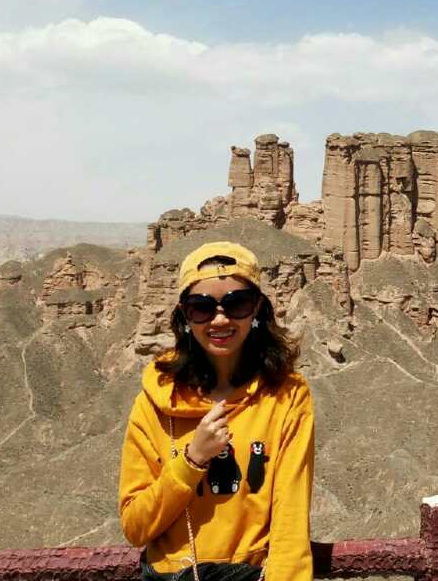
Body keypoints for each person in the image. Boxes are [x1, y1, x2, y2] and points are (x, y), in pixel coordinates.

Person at [119, 241, 314, 581]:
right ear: (184, 315)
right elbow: (135, 527)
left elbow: (290, 526)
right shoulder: (155, 402)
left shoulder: (287, 396)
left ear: (257, 309)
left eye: (237, 304)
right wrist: (192, 460)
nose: (220, 319)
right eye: (202, 308)